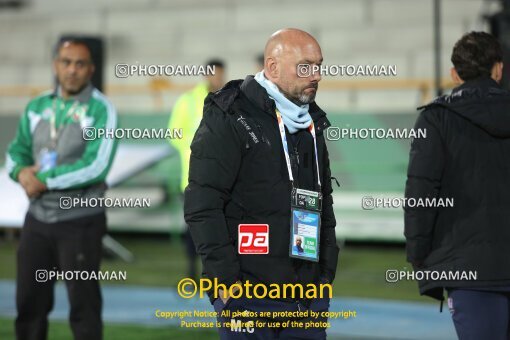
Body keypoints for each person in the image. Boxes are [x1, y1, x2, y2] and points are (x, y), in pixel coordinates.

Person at [184, 28, 339, 339]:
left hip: (305, 297)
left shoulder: (311, 123)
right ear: (273, 67)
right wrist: (226, 282)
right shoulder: (230, 114)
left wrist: (324, 278)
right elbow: (203, 204)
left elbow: (323, 202)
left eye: (319, 65)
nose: (316, 75)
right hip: (247, 296)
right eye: (305, 66)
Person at [6, 38, 118, 340]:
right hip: (37, 220)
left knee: (83, 307)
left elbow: (96, 165)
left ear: (91, 70)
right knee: (29, 304)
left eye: (80, 64)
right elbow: (17, 150)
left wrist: (44, 180)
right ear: (56, 66)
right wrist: (19, 172)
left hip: (80, 221)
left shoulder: (101, 110)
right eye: (66, 62)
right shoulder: (37, 105)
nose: (72, 70)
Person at [404, 31, 510, 339]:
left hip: (467, 269)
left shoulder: (436, 120)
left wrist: (418, 255)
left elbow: (421, 194)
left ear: (455, 73)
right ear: (498, 69)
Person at [167, 59, 226, 280]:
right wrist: (195, 149)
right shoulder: (188, 101)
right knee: (193, 228)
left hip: (222, 178)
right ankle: (191, 272)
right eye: (214, 74)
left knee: (219, 228)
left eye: (220, 74)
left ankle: (213, 274)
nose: (217, 79)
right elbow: (174, 133)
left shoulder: (229, 98)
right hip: (192, 178)